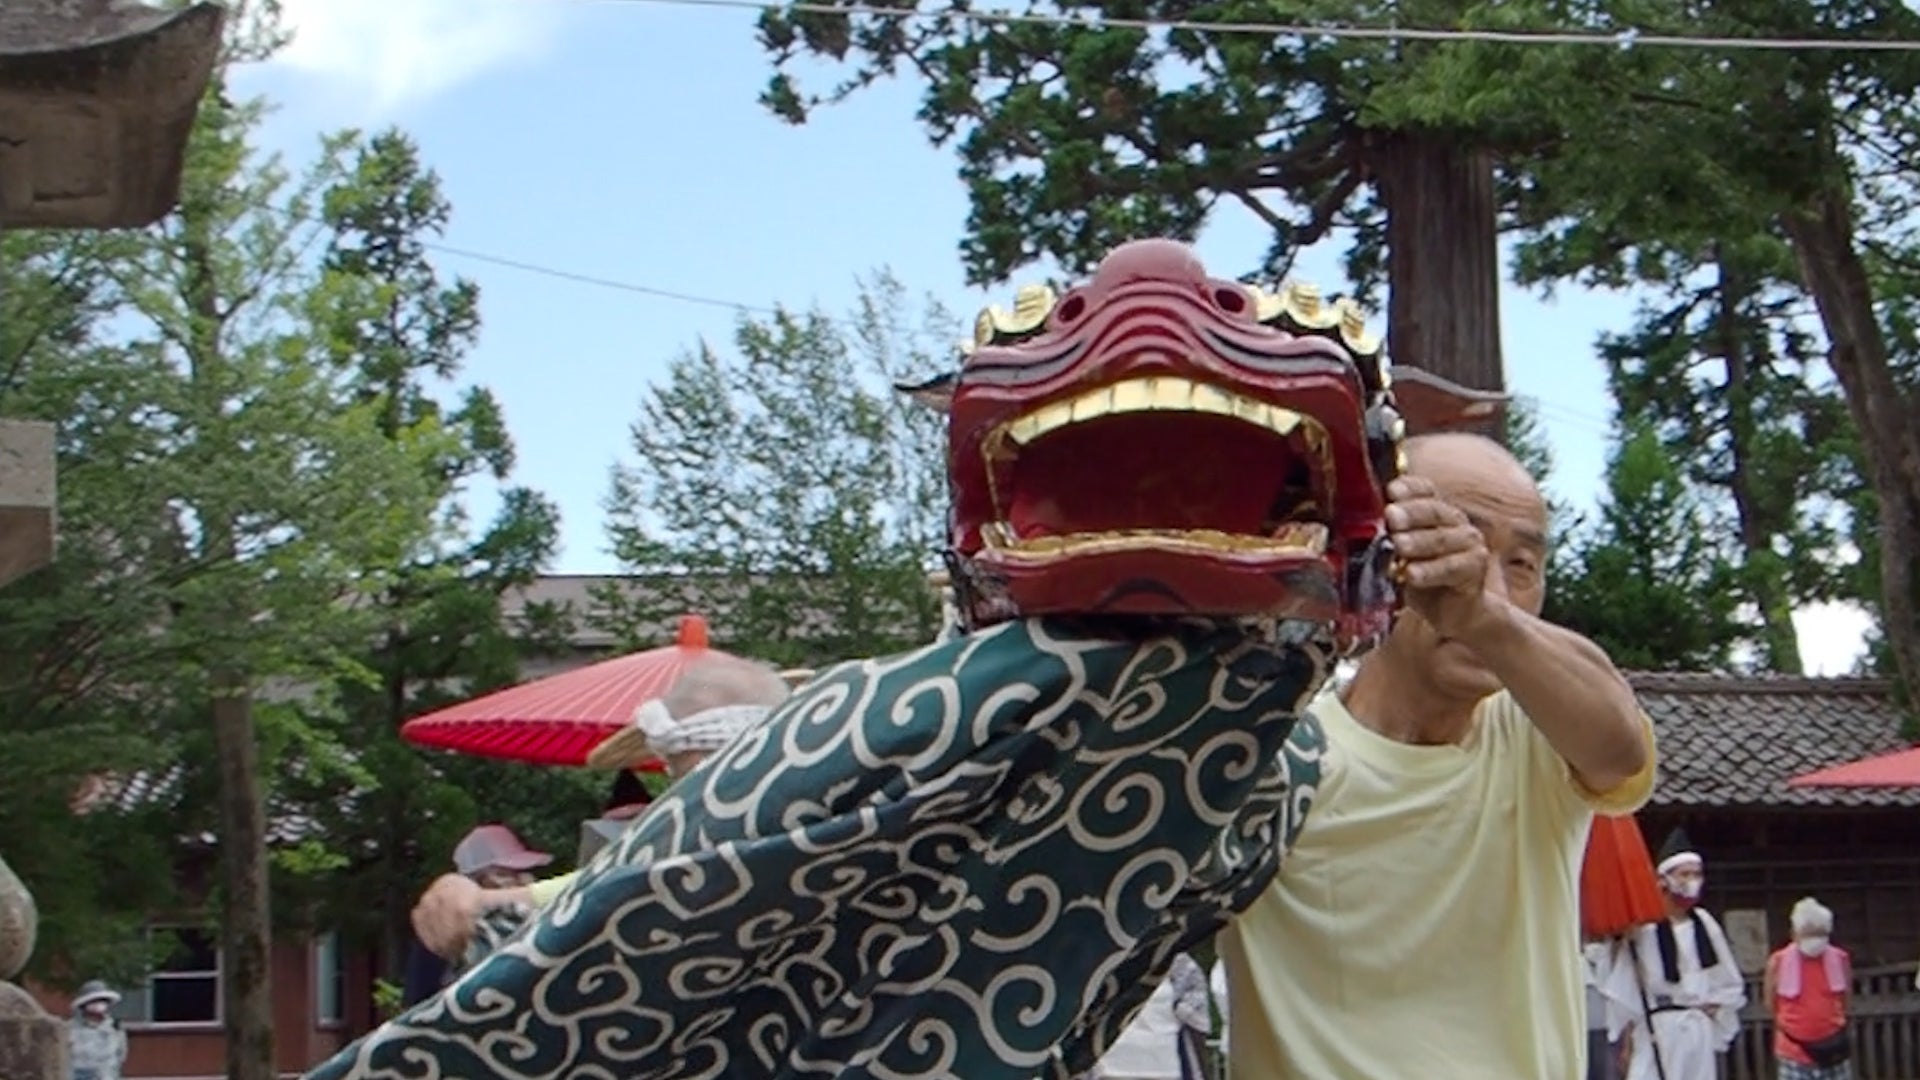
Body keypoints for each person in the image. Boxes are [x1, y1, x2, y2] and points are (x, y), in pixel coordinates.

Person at [1218, 431, 1658, 1078]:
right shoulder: (1272, 754)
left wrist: (1479, 615)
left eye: (1522, 565)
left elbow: (1619, 748)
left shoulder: (1536, 734)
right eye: (1453, 543)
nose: (1490, 585)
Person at [409, 654, 791, 961]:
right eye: (685, 777)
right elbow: (586, 887)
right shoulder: (651, 861)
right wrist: (468, 897)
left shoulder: (819, 848)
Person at [1601, 829, 1747, 1080]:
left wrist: (1717, 1005)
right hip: (1658, 1025)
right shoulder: (1645, 926)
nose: (1692, 880)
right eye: (1685, 874)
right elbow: (1625, 984)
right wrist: (1628, 1036)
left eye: (1697, 874)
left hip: (1696, 1024)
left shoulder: (1704, 922)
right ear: (1665, 879)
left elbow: (1728, 978)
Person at [399, 823, 553, 1006]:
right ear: (478, 880)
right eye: (507, 874)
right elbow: (417, 1002)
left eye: (523, 872)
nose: (524, 881)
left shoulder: (535, 919)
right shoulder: (441, 925)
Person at [1764, 897, 1853, 1080]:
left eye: (1820, 934)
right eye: (1809, 934)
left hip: (1834, 1047)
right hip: (1793, 1050)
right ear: (1794, 934)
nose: (1815, 940)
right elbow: (1770, 1002)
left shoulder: (1840, 959)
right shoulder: (1778, 962)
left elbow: (1846, 998)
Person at [1088, 951, 1212, 1080]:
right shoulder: (1095, 959)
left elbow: (1196, 1027)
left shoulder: (1181, 963)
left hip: (1164, 1069)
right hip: (1108, 1070)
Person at [67, 980, 127, 1080]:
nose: (98, 1004)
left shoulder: (115, 1027)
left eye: (103, 1001)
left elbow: (120, 1055)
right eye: (93, 1001)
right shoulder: (70, 1028)